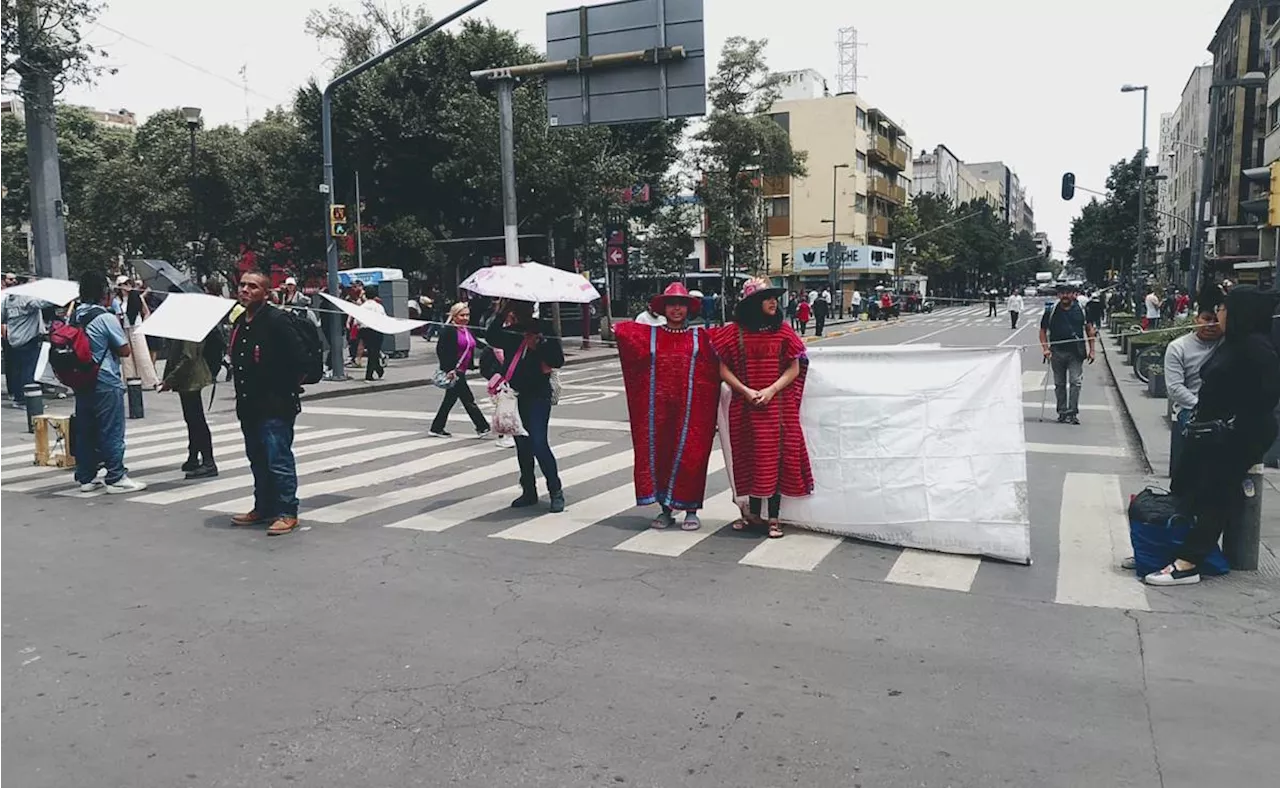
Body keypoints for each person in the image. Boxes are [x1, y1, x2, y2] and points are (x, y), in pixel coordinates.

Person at [1146, 286, 1280, 586]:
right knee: (1186, 484)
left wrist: (1232, 418)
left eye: (1223, 308)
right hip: (1209, 430)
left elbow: (1267, 395)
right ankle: (1163, 547)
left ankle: (1188, 562)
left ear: (1239, 313)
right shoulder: (1233, 342)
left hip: (1235, 435)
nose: (1218, 313)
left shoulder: (1257, 348)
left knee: (1215, 493)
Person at [711, 278, 814, 539]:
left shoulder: (783, 331)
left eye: (774, 298)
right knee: (749, 458)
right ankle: (753, 515)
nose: (773, 302)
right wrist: (745, 391)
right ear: (753, 304)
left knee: (776, 459)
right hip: (745, 408)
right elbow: (722, 368)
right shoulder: (733, 333)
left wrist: (771, 390)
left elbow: (795, 366)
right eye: (766, 298)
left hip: (777, 407)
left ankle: (774, 518)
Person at [615, 283, 721, 531]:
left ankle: (691, 509)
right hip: (658, 411)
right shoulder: (649, 335)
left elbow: (720, 362)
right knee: (661, 455)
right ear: (663, 308)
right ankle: (665, 509)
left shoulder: (701, 338)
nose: (676, 309)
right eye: (672, 304)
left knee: (692, 457)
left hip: (693, 411)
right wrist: (616, 329)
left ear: (688, 309)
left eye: (681, 305)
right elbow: (626, 336)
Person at [229, 271, 305, 536]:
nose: (245, 290)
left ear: (265, 292)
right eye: (242, 285)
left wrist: (284, 384)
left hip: (275, 404)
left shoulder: (276, 320)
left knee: (278, 459)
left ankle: (287, 512)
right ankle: (263, 507)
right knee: (257, 459)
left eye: (253, 286)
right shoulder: (241, 320)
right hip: (249, 404)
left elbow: (300, 358)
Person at [70, 271, 147, 494]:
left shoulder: (74, 315)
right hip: (104, 379)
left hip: (80, 379)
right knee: (111, 430)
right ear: (104, 292)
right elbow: (124, 350)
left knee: (85, 430)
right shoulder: (105, 317)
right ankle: (116, 476)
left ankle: (86, 477)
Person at [486, 299, 566, 513]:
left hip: (538, 393)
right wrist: (501, 313)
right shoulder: (510, 331)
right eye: (518, 307)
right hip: (515, 394)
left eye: (526, 307)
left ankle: (555, 490)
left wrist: (538, 345)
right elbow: (491, 337)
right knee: (522, 444)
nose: (524, 311)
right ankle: (529, 490)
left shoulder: (543, 328)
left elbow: (558, 360)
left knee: (539, 442)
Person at [1164, 295, 1224, 479]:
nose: (1211, 325)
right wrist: (1200, 406)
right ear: (1196, 319)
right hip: (1191, 409)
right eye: (1207, 319)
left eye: (1216, 320)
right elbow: (1175, 388)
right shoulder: (1178, 348)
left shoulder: (1229, 345)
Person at [160, 329, 218, 479]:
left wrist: (169, 380)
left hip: (191, 378)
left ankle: (208, 462)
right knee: (192, 419)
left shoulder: (190, 330)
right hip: (187, 379)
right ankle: (194, 456)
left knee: (196, 420)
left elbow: (188, 358)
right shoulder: (185, 328)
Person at [430, 301, 491, 439]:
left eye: (467, 315)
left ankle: (436, 427)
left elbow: (476, 343)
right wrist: (448, 369)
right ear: (454, 316)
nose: (465, 318)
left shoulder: (466, 329)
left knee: (450, 401)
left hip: (461, 370)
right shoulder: (449, 330)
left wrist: (492, 347)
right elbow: (441, 351)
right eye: (462, 315)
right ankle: (483, 426)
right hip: (454, 372)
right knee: (468, 399)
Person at [1039, 283, 1095, 425]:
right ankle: (1062, 412)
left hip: (1076, 353)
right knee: (1059, 384)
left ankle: (1072, 413)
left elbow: (1089, 330)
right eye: (1062, 293)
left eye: (1067, 292)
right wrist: (1045, 348)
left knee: (1075, 382)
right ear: (1058, 295)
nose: (1064, 295)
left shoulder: (1081, 310)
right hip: (1056, 352)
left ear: (1073, 294)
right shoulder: (1051, 311)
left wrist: (1092, 350)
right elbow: (1042, 331)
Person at [0, 283, 42, 408]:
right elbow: (41, 304)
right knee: (28, 371)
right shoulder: (27, 299)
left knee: (17, 370)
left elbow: (2, 317)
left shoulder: (7, 301)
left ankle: (18, 398)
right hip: (28, 338)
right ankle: (27, 400)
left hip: (13, 339)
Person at [360, 285, 387, 381]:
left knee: (372, 352)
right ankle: (370, 373)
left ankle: (378, 369)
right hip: (376, 330)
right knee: (374, 352)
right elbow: (384, 318)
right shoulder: (378, 307)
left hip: (365, 331)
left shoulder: (362, 307)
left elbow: (357, 321)